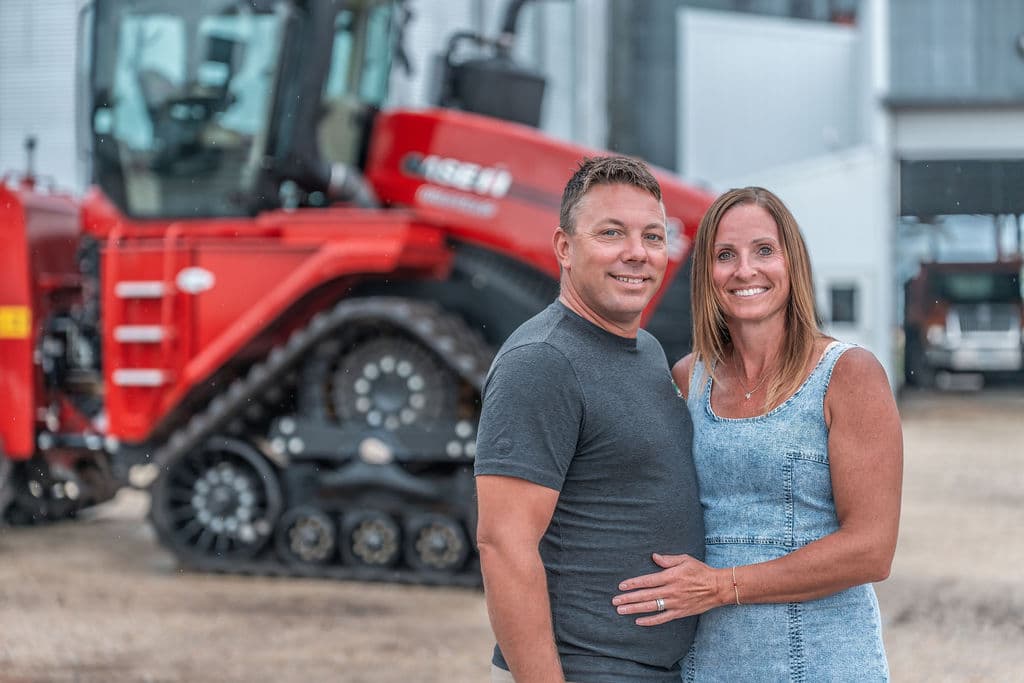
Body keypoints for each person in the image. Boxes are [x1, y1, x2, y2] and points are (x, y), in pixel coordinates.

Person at [612, 186, 903, 681]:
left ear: (793, 263)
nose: (745, 270)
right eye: (726, 255)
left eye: (763, 250)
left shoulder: (848, 374)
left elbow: (871, 550)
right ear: (708, 274)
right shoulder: (688, 377)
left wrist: (723, 586)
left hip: (824, 661)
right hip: (709, 663)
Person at [474, 156, 705, 683]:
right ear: (564, 247)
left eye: (652, 236)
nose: (637, 254)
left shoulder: (645, 350)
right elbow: (504, 545)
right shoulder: (542, 360)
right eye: (611, 233)